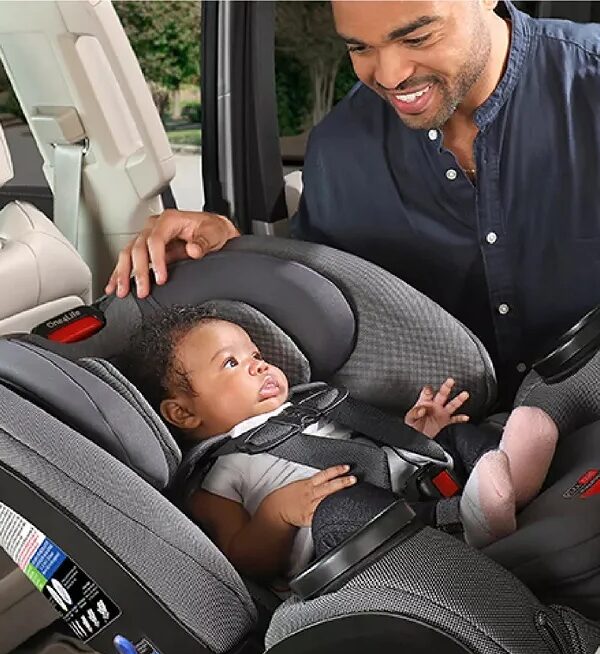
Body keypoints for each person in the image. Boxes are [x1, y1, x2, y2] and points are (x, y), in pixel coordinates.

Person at [105, 1, 600, 407]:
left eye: (417, 37)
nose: (390, 75)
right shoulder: (341, 152)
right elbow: (336, 308)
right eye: (360, 47)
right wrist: (234, 252)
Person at [124, 306, 478, 581]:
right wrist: (275, 515)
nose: (259, 367)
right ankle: (466, 518)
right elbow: (245, 561)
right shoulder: (214, 478)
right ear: (184, 413)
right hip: (339, 543)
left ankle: (505, 472)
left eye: (257, 356)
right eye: (231, 363)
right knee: (343, 509)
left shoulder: (308, 405)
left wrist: (411, 434)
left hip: (398, 479)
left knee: (457, 434)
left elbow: (363, 448)